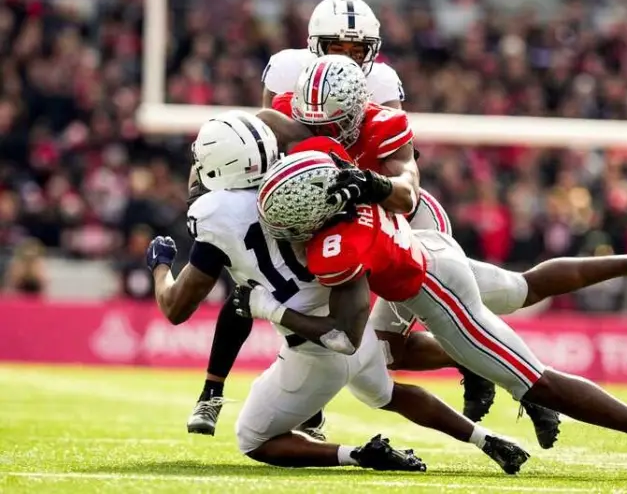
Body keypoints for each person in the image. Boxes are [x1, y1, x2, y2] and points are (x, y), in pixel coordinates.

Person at [239, 147, 627, 480]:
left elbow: (345, 336)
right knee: (521, 287)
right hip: (431, 248)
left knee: (535, 382)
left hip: (434, 290)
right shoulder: (340, 171)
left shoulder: (335, 248)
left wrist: (271, 309)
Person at [188, 0, 524, 442]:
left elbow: (397, 161)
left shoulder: (382, 82)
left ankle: (474, 356)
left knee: (398, 317)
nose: (346, 57)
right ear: (313, 46)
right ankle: (213, 389)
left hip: (364, 200)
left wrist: (364, 185)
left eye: (358, 49)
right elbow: (260, 140)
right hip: (308, 196)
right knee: (251, 278)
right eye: (335, 47)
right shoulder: (287, 70)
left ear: (374, 50)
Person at [148, 110, 531, 473]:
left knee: (253, 438)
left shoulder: (215, 213)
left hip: (317, 346)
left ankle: (358, 454)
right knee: (386, 395)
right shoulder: (299, 179)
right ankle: (487, 439)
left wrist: (161, 265)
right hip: (356, 325)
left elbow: (176, 307)